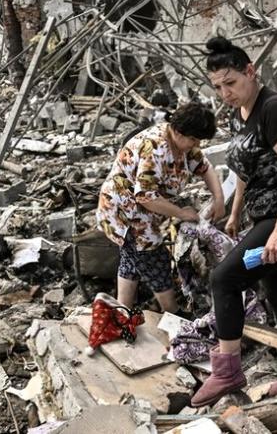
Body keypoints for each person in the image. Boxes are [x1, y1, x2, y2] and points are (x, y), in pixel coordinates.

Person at [191, 37, 277, 407]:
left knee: (224, 278)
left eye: (230, 83)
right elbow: (245, 170)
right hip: (266, 213)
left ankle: (227, 372)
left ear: (251, 71)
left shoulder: (275, 108)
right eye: (217, 86)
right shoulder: (241, 113)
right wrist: (235, 213)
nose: (225, 93)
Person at [96, 102, 225, 316]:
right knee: (156, 262)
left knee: (131, 261)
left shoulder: (185, 145)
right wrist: (182, 213)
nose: (196, 144)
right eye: (193, 139)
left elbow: (205, 167)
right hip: (126, 213)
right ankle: (173, 315)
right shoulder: (155, 148)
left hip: (140, 213)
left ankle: (122, 313)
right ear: (177, 130)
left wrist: (218, 198)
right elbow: (145, 197)